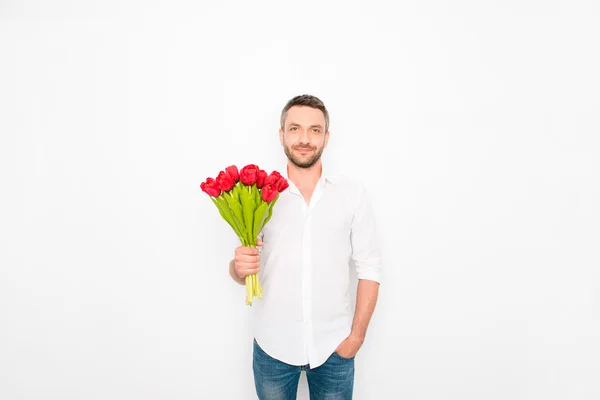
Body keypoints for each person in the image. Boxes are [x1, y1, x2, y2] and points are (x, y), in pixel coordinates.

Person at [228, 94, 382, 400]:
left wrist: (356, 338)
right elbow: (242, 271)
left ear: (326, 137)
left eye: (314, 130)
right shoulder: (257, 194)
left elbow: (369, 268)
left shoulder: (352, 194)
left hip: (334, 349)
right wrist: (237, 267)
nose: (304, 139)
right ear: (281, 134)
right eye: (295, 128)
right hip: (273, 346)